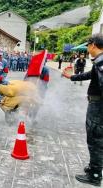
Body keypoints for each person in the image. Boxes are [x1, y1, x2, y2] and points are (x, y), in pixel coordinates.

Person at [65, 34, 103, 187]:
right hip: (96, 106)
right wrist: (72, 77)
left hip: (99, 109)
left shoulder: (101, 62)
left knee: (95, 140)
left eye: (88, 46)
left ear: (93, 45)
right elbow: (90, 75)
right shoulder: (98, 62)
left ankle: (95, 175)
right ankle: (93, 167)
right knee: (94, 139)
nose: (87, 49)